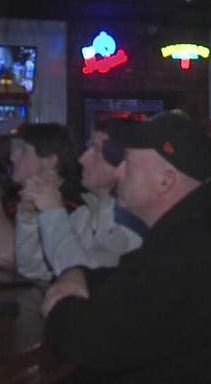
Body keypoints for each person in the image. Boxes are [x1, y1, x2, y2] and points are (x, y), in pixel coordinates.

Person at [42, 112, 211, 384]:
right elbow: (126, 276)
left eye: (128, 164)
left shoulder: (189, 253)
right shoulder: (197, 231)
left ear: (165, 181)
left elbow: (93, 343)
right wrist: (77, 272)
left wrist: (59, 304)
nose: (119, 172)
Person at [14, 120, 143, 281]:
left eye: (96, 150)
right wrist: (28, 218)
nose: (82, 159)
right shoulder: (86, 212)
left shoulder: (131, 221)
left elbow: (89, 281)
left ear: (124, 162)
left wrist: (52, 211)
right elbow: (34, 270)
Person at [0, 123, 86, 275]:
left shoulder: (71, 207)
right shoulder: (18, 197)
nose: (13, 157)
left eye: (23, 150)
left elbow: (8, 256)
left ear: (50, 160)